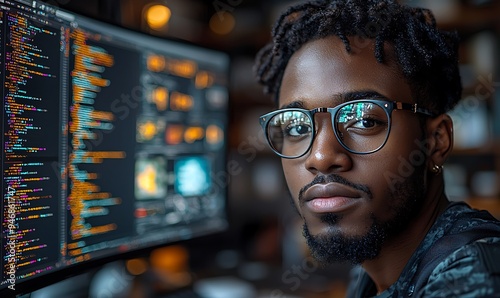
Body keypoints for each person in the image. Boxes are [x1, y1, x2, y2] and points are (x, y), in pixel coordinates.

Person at [254, 0, 500, 297]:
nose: (320, 157)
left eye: (363, 120)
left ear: (436, 142)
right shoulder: (372, 268)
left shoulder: (476, 276)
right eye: (297, 127)